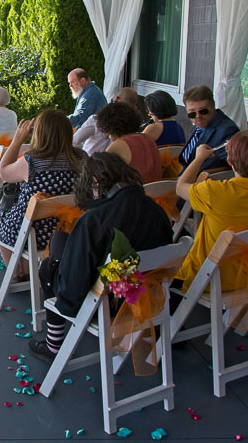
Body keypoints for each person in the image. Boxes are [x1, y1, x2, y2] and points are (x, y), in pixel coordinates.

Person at [30, 153, 173, 360]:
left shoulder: (93, 222)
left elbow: (72, 289)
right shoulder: (155, 209)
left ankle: (54, 345)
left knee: (48, 266)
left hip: (106, 304)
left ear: (96, 183)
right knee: (60, 238)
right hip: (147, 295)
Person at [174, 129, 248, 291]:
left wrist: (199, 158)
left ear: (229, 160)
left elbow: (180, 187)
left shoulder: (215, 192)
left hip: (207, 279)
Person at [0, 109, 86, 255]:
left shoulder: (32, 162)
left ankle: (17, 274)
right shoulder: (82, 158)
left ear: (39, 133)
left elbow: (3, 172)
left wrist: (17, 141)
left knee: (0, 214)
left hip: (32, 235)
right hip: (69, 233)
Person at [94, 101, 162, 184]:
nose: (108, 136)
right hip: (159, 192)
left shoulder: (118, 146)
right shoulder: (148, 138)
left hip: (135, 193)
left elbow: (102, 178)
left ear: (109, 126)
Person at [178, 85, 239, 172]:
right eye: (192, 113)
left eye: (203, 111)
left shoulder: (227, 130)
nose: (198, 116)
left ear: (213, 106)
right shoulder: (199, 125)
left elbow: (235, 164)